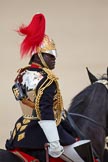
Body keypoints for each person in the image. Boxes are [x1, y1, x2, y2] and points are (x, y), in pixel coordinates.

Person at [5, 13, 94, 162]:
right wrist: (54, 143)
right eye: (50, 56)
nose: (54, 59)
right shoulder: (47, 79)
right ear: (38, 55)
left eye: (54, 55)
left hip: (22, 130)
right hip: (43, 133)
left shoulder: (22, 74)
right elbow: (45, 112)